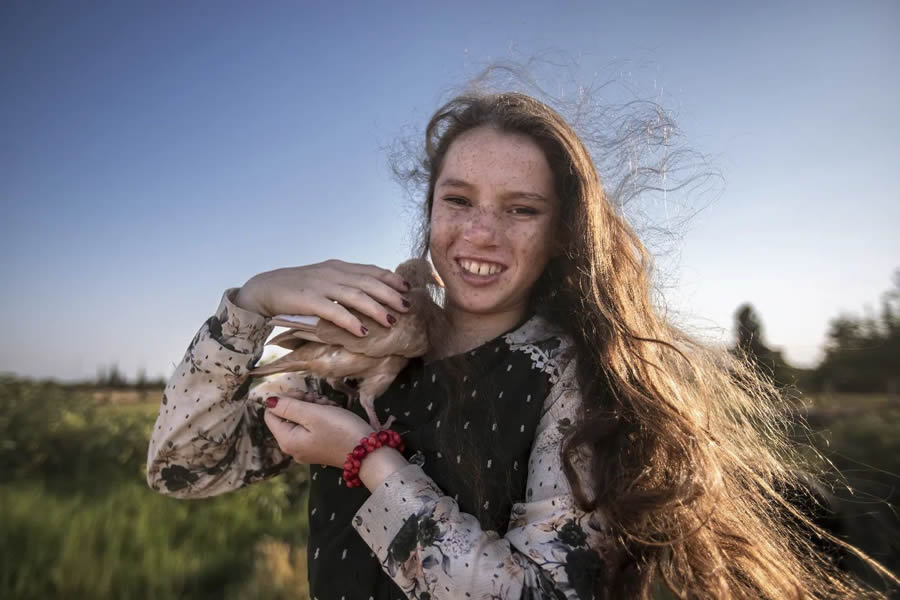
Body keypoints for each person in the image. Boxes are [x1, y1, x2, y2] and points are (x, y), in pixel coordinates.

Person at [147, 91, 892, 599]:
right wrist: (253, 300)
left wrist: (367, 459)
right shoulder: (366, 349)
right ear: (430, 205)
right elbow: (183, 468)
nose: (480, 235)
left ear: (563, 232)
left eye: (521, 209)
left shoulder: (580, 383)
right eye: (458, 200)